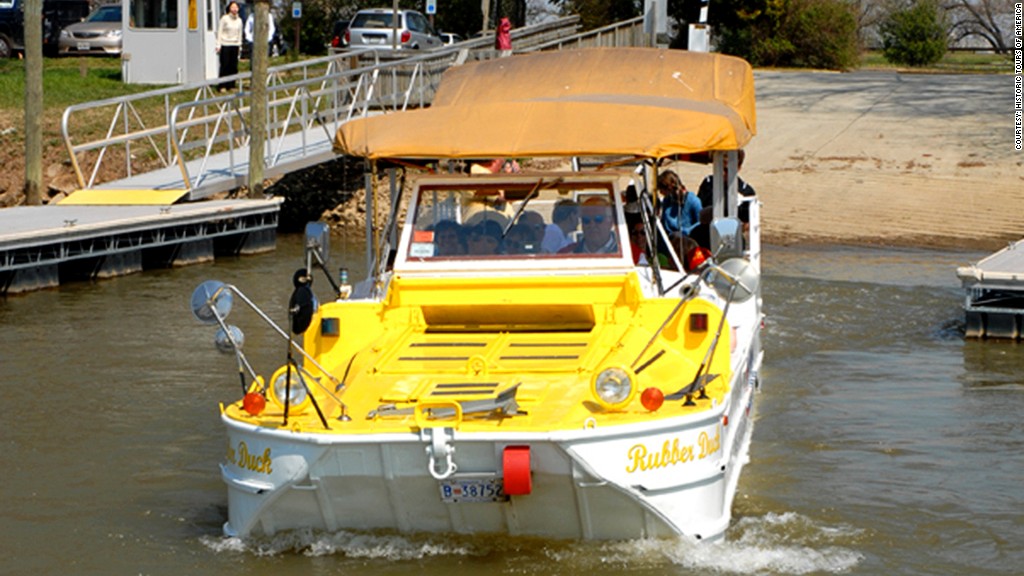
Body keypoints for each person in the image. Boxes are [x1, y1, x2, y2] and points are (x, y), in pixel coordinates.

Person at [697, 149, 756, 220]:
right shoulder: (708, 184)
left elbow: (749, 222)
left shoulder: (746, 192)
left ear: (738, 168)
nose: (722, 173)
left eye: (726, 170)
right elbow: (698, 210)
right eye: (719, 167)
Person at [658, 169, 701, 236]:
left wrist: (686, 231)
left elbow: (700, 224)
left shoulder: (694, 201)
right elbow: (664, 222)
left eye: (662, 190)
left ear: (670, 187)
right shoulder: (666, 201)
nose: (661, 193)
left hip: (688, 239)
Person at [216, 2, 243, 91]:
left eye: (236, 7)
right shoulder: (224, 19)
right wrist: (218, 45)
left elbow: (240, 34)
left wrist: (240, 45)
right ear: (229, 8)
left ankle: (231, 85)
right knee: (225, 65)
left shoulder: (239, 20)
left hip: (235, 44)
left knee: (233, 66)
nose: (235, 9)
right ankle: (222, 85)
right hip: (225, 44)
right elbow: (219, 32)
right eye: (233, 7)